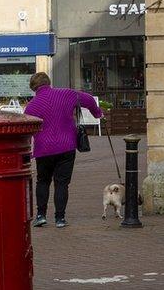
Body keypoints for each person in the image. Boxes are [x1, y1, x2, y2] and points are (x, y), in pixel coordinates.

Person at [24, 72, 102, 229]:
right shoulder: (67, 94)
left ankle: (41, 216)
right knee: (62, 184)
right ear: (49, 82)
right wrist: (97, 113)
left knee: (43, 181)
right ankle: (60, 218)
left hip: (43, 150)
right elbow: (88, 99)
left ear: (33, 88)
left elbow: (27, 129)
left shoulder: (31, 106)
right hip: (66, 147)